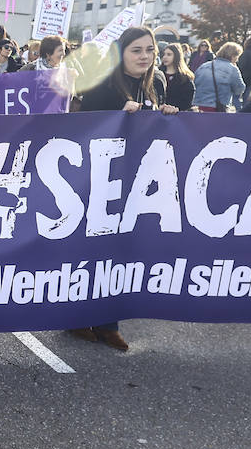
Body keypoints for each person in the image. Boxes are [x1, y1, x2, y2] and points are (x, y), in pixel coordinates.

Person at [68, 25, 180, 353]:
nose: (144, 56)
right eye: (136, 50)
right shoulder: (105, 85)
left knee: (123, 253)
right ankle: (78, 317)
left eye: (149, 50)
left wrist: (167, 114)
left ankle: (108, 322)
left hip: (135, 182)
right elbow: (85, 127)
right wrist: (118, 116)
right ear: (122, 53)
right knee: (95, 251)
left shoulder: (156, 82)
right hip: (101, 180)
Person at [192, 42, 245, 112]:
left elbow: (194, 84)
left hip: (198, 107)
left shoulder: (203, 66)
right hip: (218, 107)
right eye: (237, 57)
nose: (237, 60)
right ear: (233, 56)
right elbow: (239, 89)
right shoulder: (232, 69)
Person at [159, 42, 196, 111]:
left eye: (169, 54)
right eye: (164, 54)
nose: (165, 57)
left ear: (176, 56)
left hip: (177, 116)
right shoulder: (157, 74)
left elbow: (187, 102)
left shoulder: (185, 78)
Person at [237, 36, 251, 107]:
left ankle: (241, 111)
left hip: (244, 77)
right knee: (247, 98)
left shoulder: (245, 53)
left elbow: (241, 66)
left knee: (237, 97)